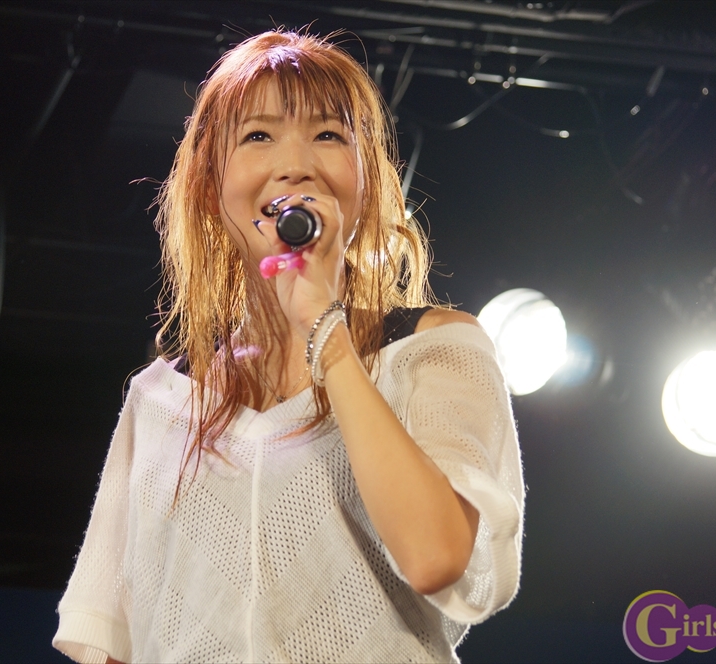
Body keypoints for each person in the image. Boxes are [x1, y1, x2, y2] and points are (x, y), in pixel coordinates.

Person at [53, 29, 524, 664]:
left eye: (328, 134)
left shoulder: (431, 351)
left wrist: (327, 333)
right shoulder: (162, 400)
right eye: (258, 136)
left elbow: (435, 557)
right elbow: (114, 638)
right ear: (210, 183)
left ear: (366, 179)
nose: (295, 163)